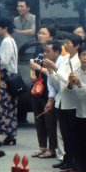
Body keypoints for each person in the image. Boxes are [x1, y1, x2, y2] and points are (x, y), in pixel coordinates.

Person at [46, 34, 82, 172]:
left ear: (76, 45)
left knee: (72, 134)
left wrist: (54, 68)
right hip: (62, 100)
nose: (65, 45)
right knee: (65, 134)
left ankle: (74, 161)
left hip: (72, 102)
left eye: (68, 43)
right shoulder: (66, 59)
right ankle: (67, 160)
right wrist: (51, 71)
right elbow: (58, 81)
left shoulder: (78, 61)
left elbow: (69, 82)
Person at [27, 25, 58, 159]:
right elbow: (34, 68)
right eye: (39, 33)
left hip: (49, 91)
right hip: (37, 89)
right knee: (38, 119)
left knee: (49, 120)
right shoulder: (38, 50)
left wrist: (37, 68)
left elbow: (54, 72)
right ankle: (42, 146)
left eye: (44, 34)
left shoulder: (56, 52)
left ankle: (52, 148)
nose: (40, 36)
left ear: (51, 37)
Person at [0, 19, 18, 146]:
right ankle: (11, 133)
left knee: (3, 106)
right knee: (10, 106)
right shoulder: (11, 40)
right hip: (12, 76)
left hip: (5, 77)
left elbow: (4, 61)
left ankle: (4, 132)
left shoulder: (6, 41)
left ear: (4, 28)